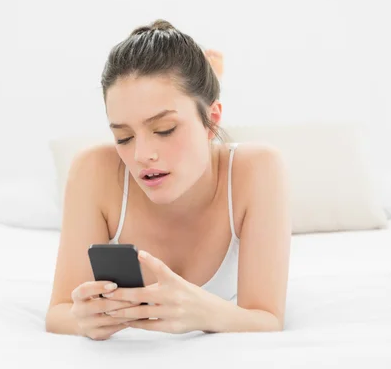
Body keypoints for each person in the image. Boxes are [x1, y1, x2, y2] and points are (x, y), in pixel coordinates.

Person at [45, 19, 291, 340]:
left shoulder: (258, 169)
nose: (142, 155)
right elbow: (59, 313)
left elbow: (267, 319)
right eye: (123, 137)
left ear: (212, 121)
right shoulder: (94, 170)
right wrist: (85, 321)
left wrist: (200, 312)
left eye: (165, 130)